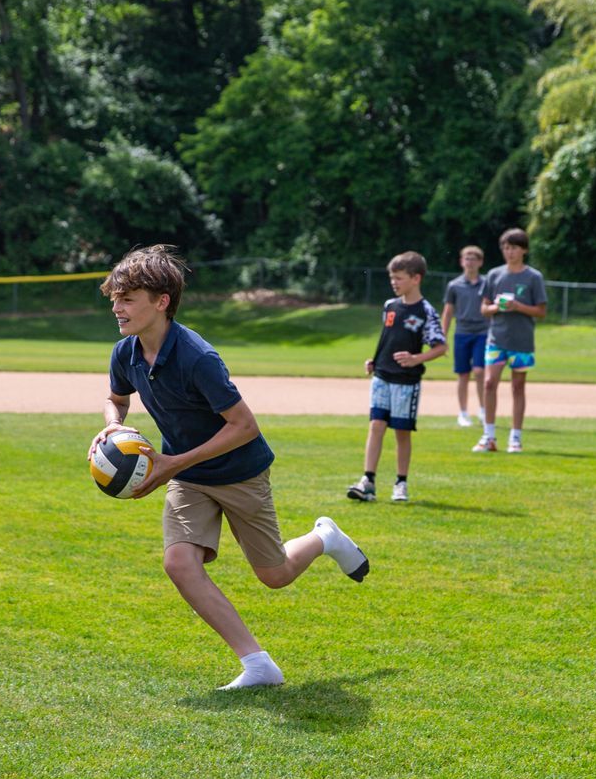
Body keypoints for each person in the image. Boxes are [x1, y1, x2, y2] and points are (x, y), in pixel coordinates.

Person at [88, 245, 369, 691]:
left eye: (127, 299)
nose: (116, 309)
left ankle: (323, 537)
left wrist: (173, 462)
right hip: (188, 475)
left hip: (239, 471)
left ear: (161, 302)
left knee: (274, 575)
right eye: (114, 299)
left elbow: (243, 426)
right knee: (179, 563)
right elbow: (116, 399)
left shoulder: (198, 357)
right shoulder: (125, 354)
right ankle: (258, 664)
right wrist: (112, 426)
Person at [346, 251, 447, 503]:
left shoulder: (426, 311)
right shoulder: (390, 306)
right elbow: (387, 338)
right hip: (382, 376)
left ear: (416, 278)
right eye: (392, 277)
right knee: (376, 426)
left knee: (401, 432)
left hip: (406, 381)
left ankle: (401, 482)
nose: (394, 282)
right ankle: (367, 480)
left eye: (399, 278)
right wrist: (375, 359)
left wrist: (415, 359)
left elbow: (440, 347)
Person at [473, 228, 547, 454]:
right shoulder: (494, 275)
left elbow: (541, 311)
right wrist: (497, 307)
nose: (509, 252)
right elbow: (484, 308)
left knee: (517, 387)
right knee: (488, 383)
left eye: (514, 247)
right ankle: (489, 436)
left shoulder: (533, 277)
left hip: (522, 341)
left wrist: (518, 307)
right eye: (506, 248)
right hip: (496, 339)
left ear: (523, 250)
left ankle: (515, 438)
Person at [440, 246, 489, 427]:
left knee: (480, 371)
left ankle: (484, 410)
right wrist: (442, 337)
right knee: (463, 374)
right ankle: (463, 413)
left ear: (480, 262)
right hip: (462, 332)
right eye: (467, 258)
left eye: (474, 259)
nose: (470, 262)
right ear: (462, 262)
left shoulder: (487, 284)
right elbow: (448, 311)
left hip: (483, 332)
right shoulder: (454, 285)